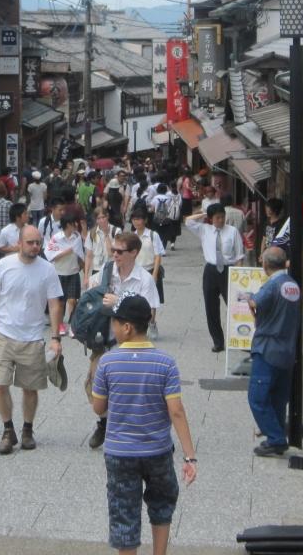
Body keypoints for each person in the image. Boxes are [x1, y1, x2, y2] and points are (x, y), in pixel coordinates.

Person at [91, 295, 197, 555]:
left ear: (127, 327)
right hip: (157, 450)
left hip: (120, 453)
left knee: (124, 514)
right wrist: (189, 456)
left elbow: (98, 407)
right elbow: (176, 411)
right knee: (161, 505)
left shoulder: (108, 362)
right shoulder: (165, 362)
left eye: (115, 323)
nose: (112, 328)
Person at [0, 225, 64, 455]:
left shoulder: (47, 270)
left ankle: (27, 430)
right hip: (3, 334)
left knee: (30, 389)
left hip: (32, 337)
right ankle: (7, 430)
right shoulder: (4, 266)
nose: (35, 247)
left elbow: (54, 304)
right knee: (0, 384)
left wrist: (55, 338)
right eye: (30, 242)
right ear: (19, 243)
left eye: (38, 243)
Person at [84, 231, 161, 451]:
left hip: (133, 343)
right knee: (94, 384)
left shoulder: (144, 279)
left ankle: (129, 426)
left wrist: (119, 303)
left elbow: (148, 314)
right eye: (113, 250)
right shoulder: (106, 272)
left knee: (130, 389)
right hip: (104, 339)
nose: (115, 254)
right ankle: (105, 421)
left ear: (134, 253)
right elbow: (91, 295)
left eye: (120, 251)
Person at [247, 247, 302, 457]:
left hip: (268, 347)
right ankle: (277, 433)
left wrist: (250, 299)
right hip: (287, 349)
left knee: (258, 397)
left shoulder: (272, 285)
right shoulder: (292, 285)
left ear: (265, 265)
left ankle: (276, 438)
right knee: (278, 397)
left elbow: (255, 302)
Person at [186, 204, 245, 353]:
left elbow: (239, 255)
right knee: (211, 308)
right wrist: (204, 214)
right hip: (211, 271)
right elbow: (188, 221)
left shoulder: (232, 231)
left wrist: (238, 275)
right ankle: (218, 342)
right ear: (211, 218)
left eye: (222, 217)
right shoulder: (204, 229)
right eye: (217, 217)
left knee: (235, 305)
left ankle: (241, 338)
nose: (221, 220)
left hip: (228, 270)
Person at [45, 204, 86, 334]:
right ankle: (60, 324)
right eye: (74, 223)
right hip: (59, 273)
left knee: (73, 300)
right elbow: (51, 256)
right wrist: (67, 251)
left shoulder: (77, 237)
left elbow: (81, 254)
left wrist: (84, 270)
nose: (76, 225)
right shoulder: (56, 238)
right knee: (61, 302)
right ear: (68, 224)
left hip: (73, 272)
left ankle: (72, 325)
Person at [132, 210, 165, 335]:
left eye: (139, 219)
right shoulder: (132, 236)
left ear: (145, 220)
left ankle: (152, 323)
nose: (136, 222)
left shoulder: (152, 235)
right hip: (137, 270)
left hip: (150, 269)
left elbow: (158, 255)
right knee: (137, 298)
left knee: (151, 300)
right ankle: (140, 325)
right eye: (134, 219)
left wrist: (155, 274)